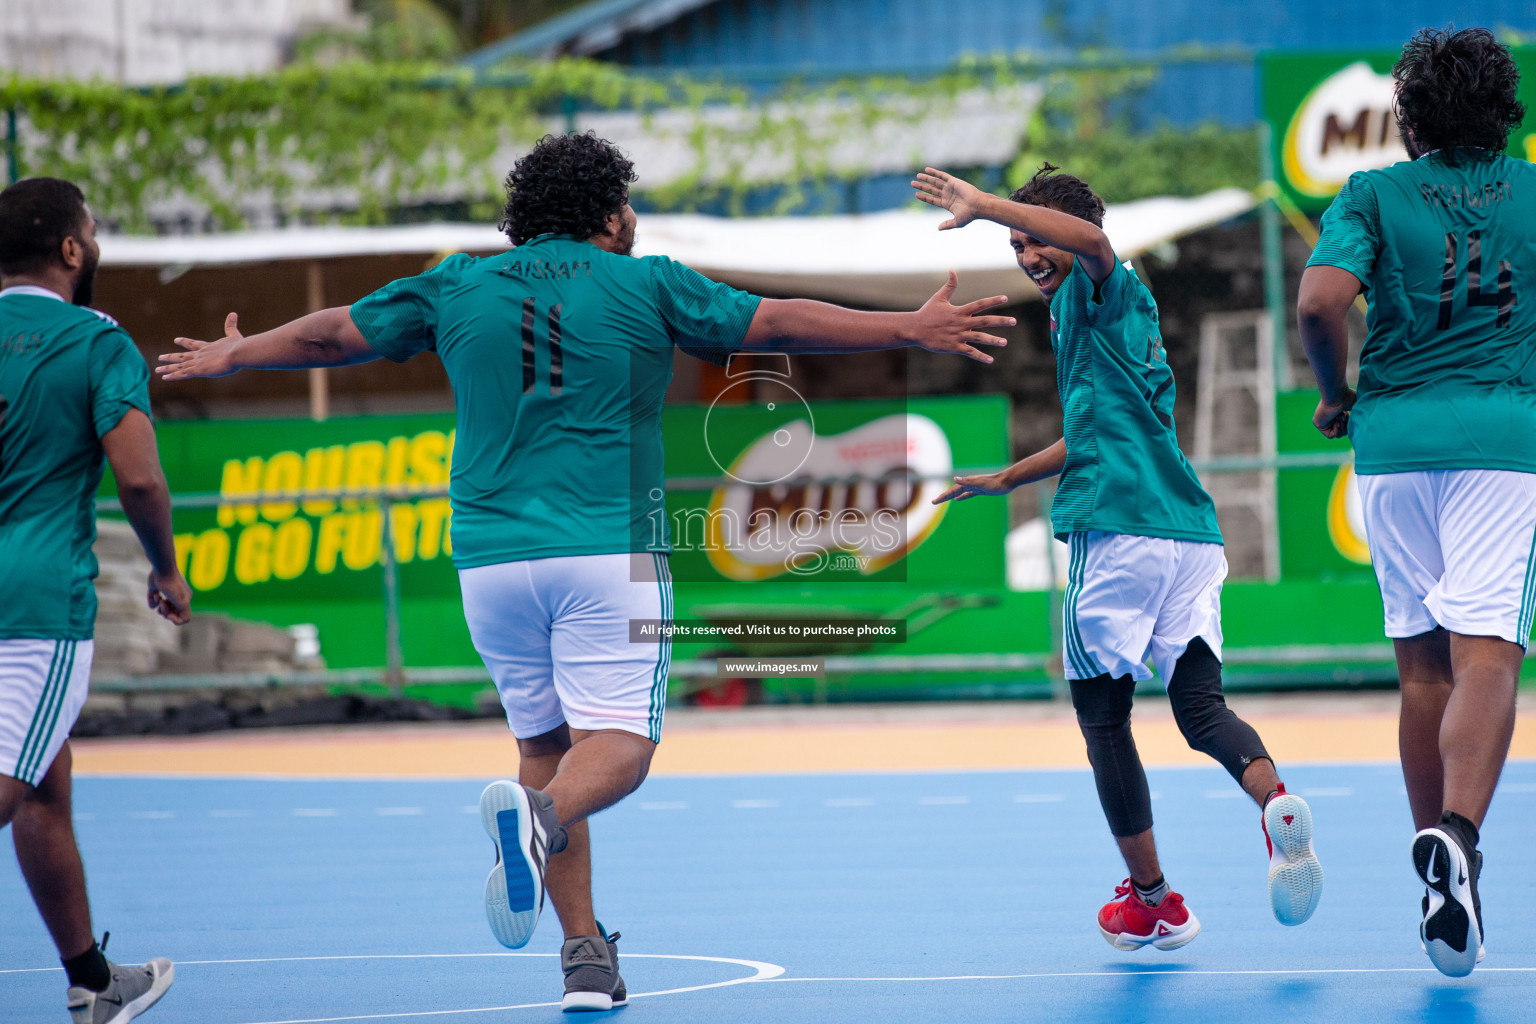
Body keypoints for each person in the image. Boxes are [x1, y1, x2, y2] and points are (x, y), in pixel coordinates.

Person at [158, 131, 1015, 1011]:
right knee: (623, 751)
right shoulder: (646, 282)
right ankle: (537, 825)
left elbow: (337, 335)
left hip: (489, 559)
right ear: (609, 216)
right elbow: (777, 320)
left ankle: (583, 954)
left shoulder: (456, 281)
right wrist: (908, 325)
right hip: (611, 551)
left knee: (543, 750)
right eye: (629, 205)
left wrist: (241, 350)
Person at [917, 163, 1322, 950]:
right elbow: (1098, 433)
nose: (1026, 253)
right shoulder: (1108, 317)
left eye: (1035, 238)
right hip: (1187, 536)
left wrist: (985, 203)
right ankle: (1276, 806)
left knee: (1102, 718)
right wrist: (1008, 476)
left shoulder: (1101, 281)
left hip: (1121, 531)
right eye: (1014, 242)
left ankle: (1155, 902)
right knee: (1201, 710)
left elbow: (1094, 241)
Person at [1298, 26, 1532, 978]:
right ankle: (1460, 842)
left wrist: (1333, 391)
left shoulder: (1373, 193)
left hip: (1390, 445)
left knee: (1424, 672)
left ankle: (1436, 877)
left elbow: (1319, 303)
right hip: (1502, 443)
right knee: (1490, 656)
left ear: (1411, 113)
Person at [0, 177, 190, 1023]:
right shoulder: (95, 341)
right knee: (11, 780)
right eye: (93, 233)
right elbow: (141, 478)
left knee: (43, 782)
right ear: (72, 250)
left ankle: (91, 980)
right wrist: (167, 570)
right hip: (31, 605)